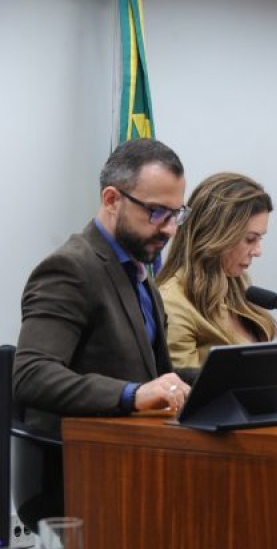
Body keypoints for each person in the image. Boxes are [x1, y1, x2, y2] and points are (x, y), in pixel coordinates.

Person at [14, 138, 194, 438]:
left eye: (176, 214)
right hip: (82, 454)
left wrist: (229, 379)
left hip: (137, 445)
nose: (170, 229)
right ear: (111, 200)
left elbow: (153, 376)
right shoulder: (69, 268)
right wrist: (131, 394)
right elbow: (33, 374)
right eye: (157, 212)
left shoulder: (137, 272)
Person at [156, 173, 277, 385]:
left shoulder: (236, 286)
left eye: (260, 239)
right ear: (214, 235)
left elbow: (269, 368)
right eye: (250, 239)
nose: (258, 251)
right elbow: (183, 391)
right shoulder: (172, 303)